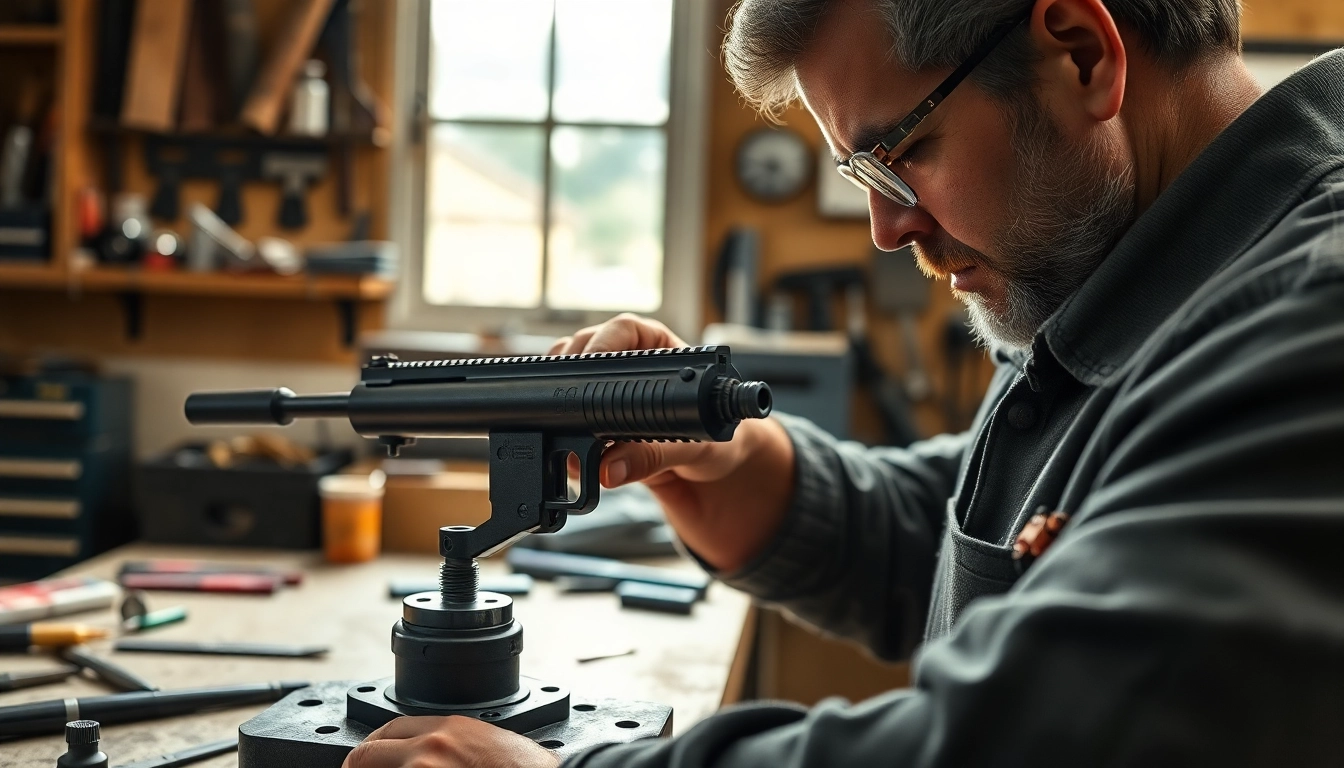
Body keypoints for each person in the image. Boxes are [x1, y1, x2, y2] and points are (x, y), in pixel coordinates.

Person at [346, 0, 1344, 765]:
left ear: (1081, 52)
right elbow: (1000, 549)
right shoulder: (1143, 287)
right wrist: (744, 471)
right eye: (865, 177)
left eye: (901, 154)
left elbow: (1045, 734)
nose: (887, 227)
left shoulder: (1311, 318)